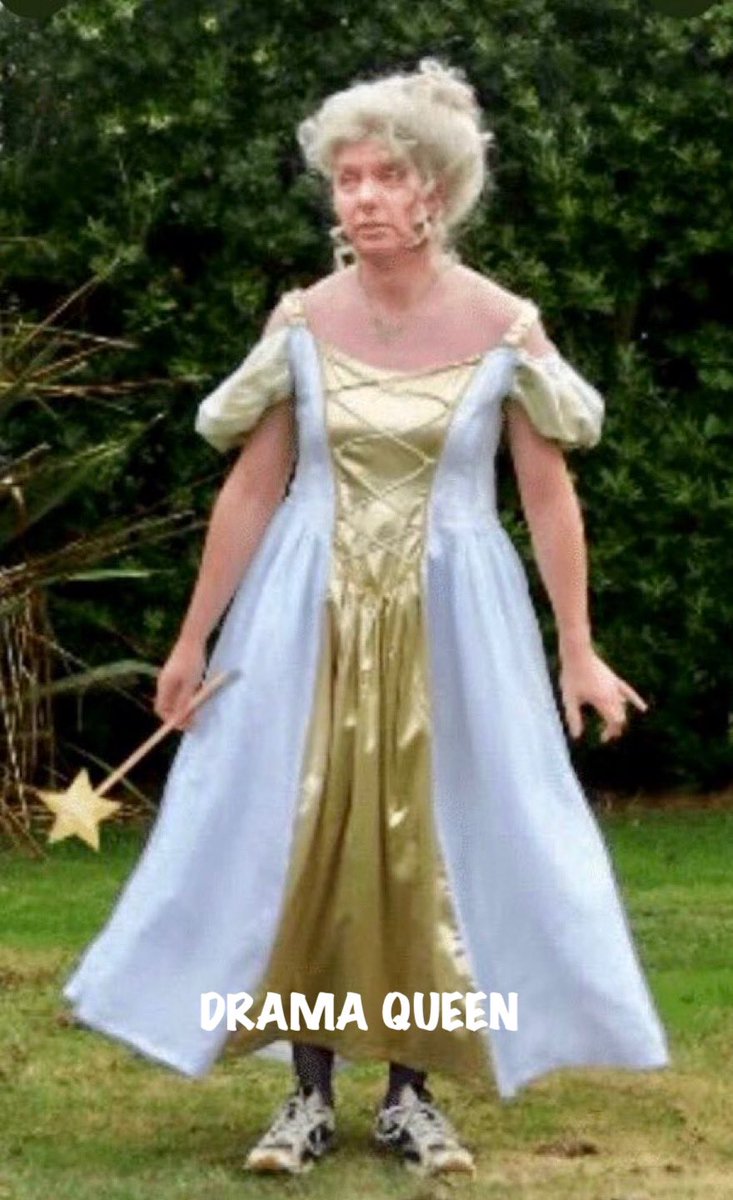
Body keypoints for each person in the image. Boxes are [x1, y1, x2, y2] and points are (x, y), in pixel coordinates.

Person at [62, 57, 670, 1179]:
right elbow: (253, 485)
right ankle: (305, 1094)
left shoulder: (503, 326)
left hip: (453, 616)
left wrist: (578, 648)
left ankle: (409, 1097)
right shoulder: (303, 320)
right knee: (303, 830)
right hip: (306, 606)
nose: (363, 197)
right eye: (347, 179)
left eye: (386, 176)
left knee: (429, 837)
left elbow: (547, 494)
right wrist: (193, 640)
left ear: (435, 188)